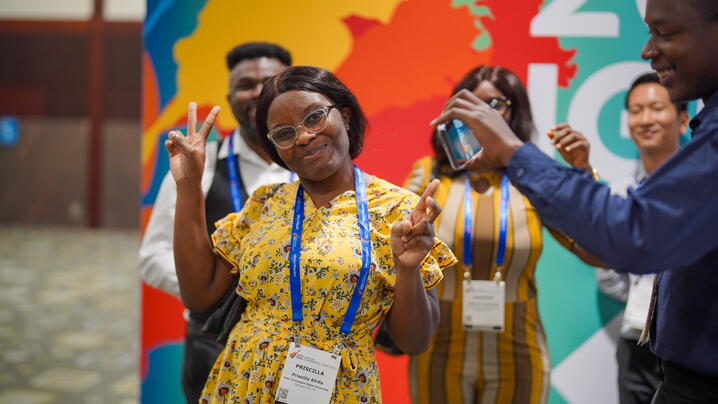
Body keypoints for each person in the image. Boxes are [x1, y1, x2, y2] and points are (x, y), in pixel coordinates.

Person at [431, 0, 718, 402]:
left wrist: (522, 157)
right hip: (446, 345)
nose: (648, 49)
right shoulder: (430, 180)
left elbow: (618, 239)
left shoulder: (531, 174)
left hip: (522, 347)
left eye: (665, 33)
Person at [166, 66, 457, 403]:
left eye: (314, 117)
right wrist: (188, 186)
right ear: (276, 149)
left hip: (340, 388)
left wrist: (407, 269)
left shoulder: (398, 211)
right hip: (244, 381)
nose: (303, 136)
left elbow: (414, 341)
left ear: (345, 116)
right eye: (284, 133)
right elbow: (198, 294)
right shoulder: (265, 204)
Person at [405, 65, 596, 404]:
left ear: (514, 112)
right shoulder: (429, 173)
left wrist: (582, 176)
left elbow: (593, 249)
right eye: (473, 104)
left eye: (496, 104)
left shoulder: (533, 176)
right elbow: (397, 249)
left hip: (519, 352)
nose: (483, 115)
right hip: (439, 348)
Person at [138, 42, 293, 403]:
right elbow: (152, 255)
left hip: (295, 352)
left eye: (270, 82)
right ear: (230, 96)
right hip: (214, 347)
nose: (257, 92)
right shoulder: (198, 166)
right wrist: (209, 290)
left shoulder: (312, 166)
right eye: (245, 84)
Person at [592, 72, 688, 404]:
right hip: (636, 341)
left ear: (683, 119)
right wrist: (642, 298)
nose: (645, 119)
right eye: (636, 110)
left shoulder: (702, 188)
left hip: (692, 344)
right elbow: (607, 271)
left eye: (657, 107)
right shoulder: (619, 193)